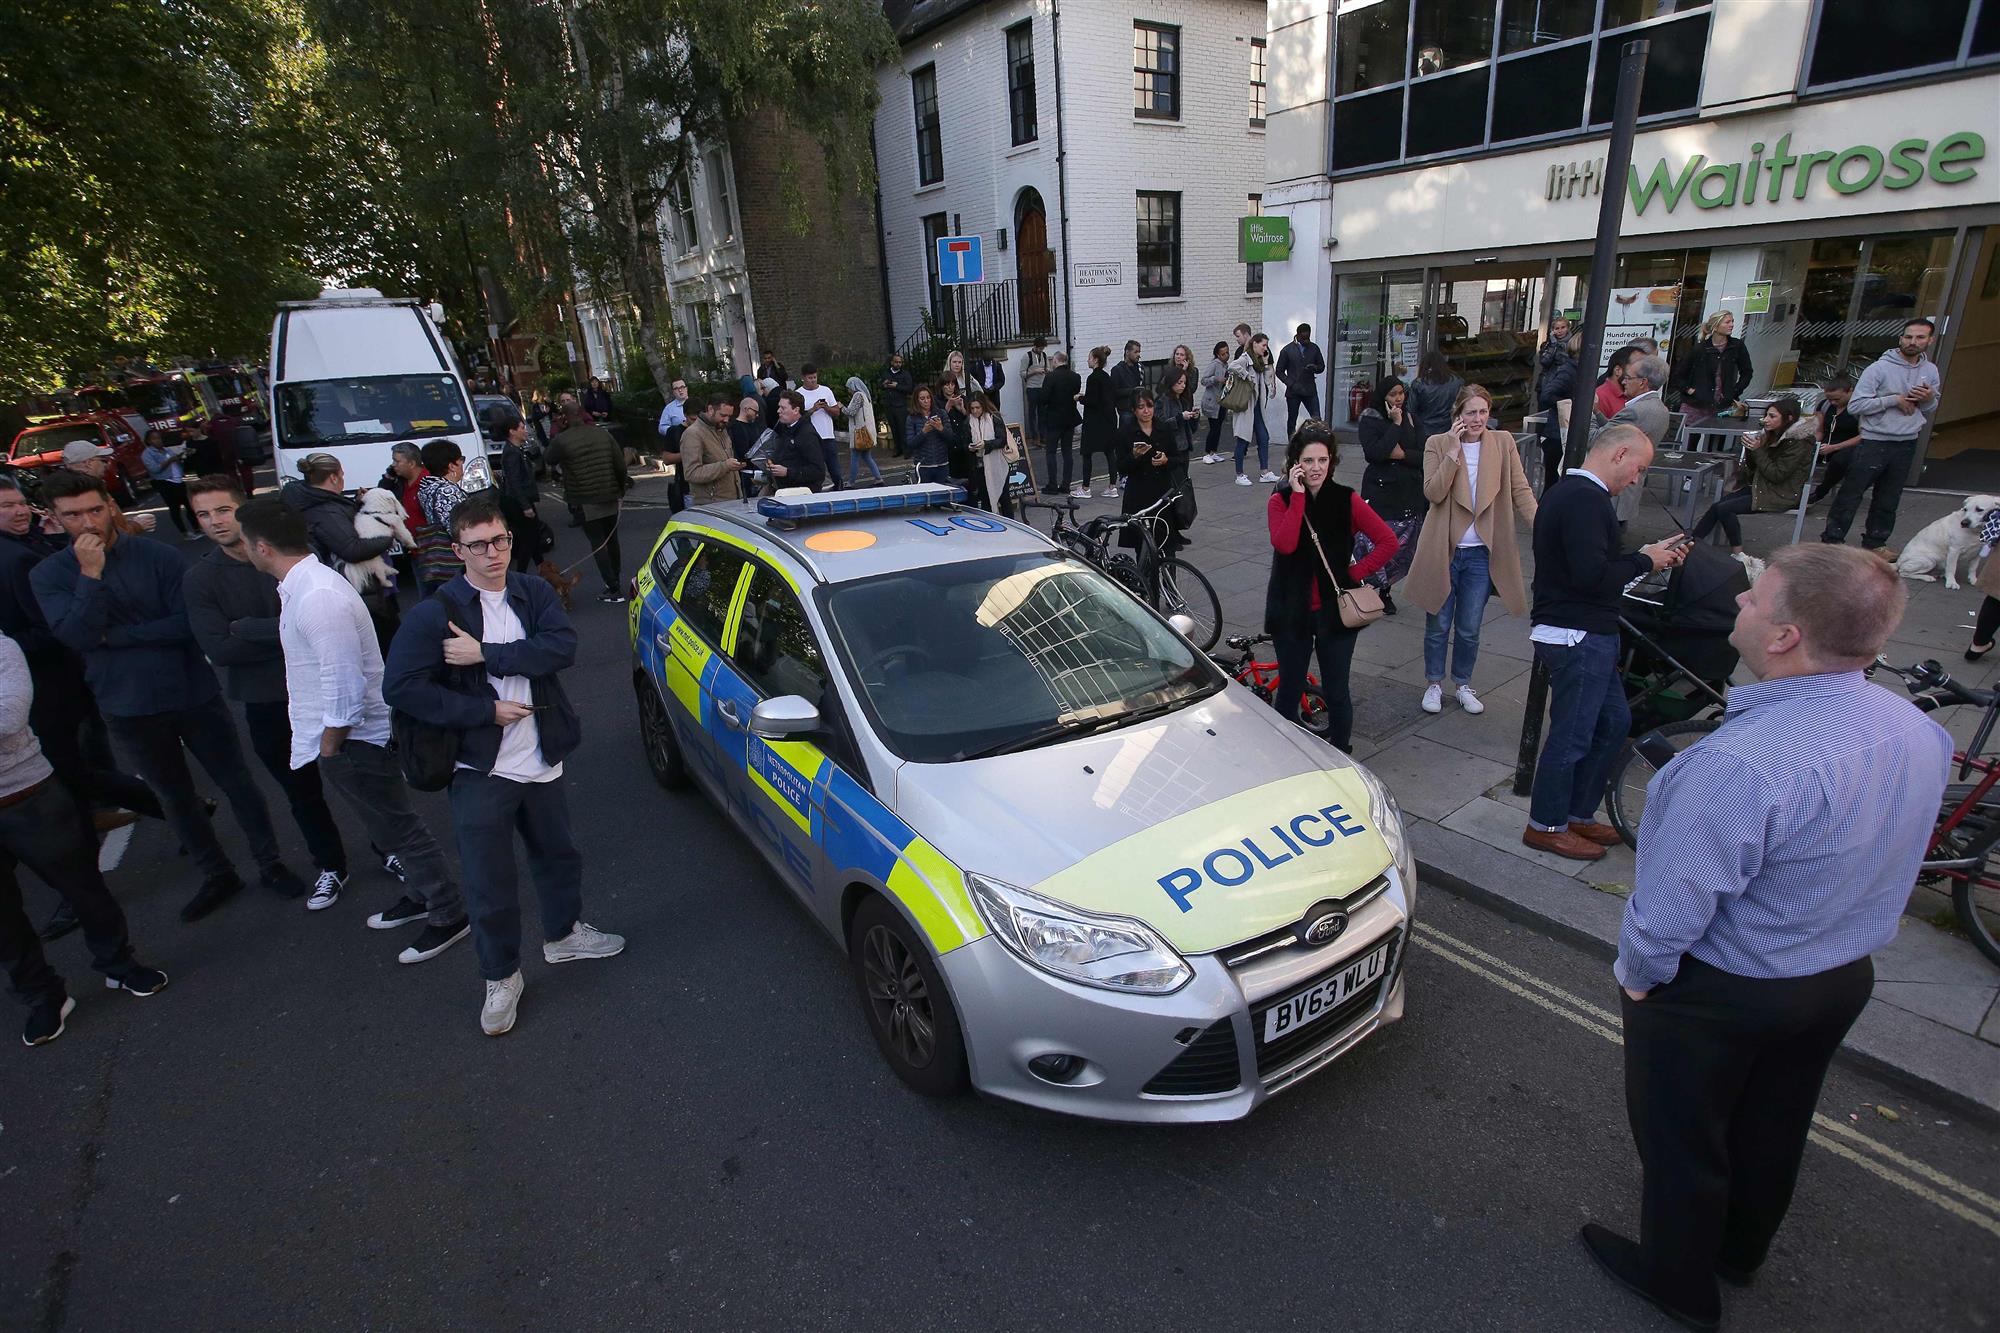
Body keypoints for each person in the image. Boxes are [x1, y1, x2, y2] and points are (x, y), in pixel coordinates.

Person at [1586, 543, 1948, 1332]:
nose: (1741, 604)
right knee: (1776, 1119)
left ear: (1785, 637)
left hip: (1726, 991)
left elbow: (1668, 911)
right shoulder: (1914, 728)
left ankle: (1677, 1281)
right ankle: (1740, 1250)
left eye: (1755, 597)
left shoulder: (1735, 766)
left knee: (1684, 1139)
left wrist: (1640, 979)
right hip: (1842, 975)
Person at [383, 492, 623, 1036]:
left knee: (559, 856)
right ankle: (502, 976)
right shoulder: (435, 614)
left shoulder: (532, 589)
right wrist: (482, 711)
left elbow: (561, 648)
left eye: (501, 540)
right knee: (489, 879)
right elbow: (400, 687)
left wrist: (486, 654)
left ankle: (563, 937)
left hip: (542, 754)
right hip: (480, 769)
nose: (493, 553)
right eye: (479, 545)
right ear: (457, 549)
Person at [30, 469, 304, 918]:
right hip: (125, 704)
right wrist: (90, 577)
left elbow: (188, 627)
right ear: (56, 519)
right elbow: (77, 636)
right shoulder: (50, 573)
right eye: (73, 515)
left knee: (237, 783)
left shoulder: (158, 557)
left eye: (95, 509)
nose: (88, 522)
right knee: (172, 796)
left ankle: (270, 863)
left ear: (111, 505)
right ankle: (216, 872)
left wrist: (113, 637)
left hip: (192, 692)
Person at [236, 497, 469, 964]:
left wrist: (329, 747)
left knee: (400, 826)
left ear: (261, 547)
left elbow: (343, 685)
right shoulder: (303, 586)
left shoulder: (318, 597)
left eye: (242, 540)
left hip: (355, 738)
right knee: (387, 826)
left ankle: (448, 911)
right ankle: (424, 895)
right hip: (347, 738)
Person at [1524, 424, 1689, 861]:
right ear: (1618, 455)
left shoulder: (1581, 497)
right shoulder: (1583, 500)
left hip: (1587, 632)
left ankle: (1577, 812)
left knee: (1613, 723)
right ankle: (1546, 824)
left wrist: (1647, 557)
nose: (1636, 479)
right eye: (1639, 468)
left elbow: (1594, 568)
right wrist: (1644, 560)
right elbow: (1592, 578)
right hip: (1577, 636)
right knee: (1573, 735)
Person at [183, 477, 349, 909]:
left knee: (357, 781)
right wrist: (292, 632)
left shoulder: (294, 561)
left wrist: (251, 629)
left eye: (223, 510)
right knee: (301, 793)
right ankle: (331, 866)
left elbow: (327, 626)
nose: (215, 522)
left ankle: (390, 852)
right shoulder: (201, 579)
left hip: (323, 691)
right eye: (203, 514)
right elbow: (218, 648)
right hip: (266, 703)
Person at [0, 635, 169, 1047]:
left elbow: (10, 716)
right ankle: (44, 997)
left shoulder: (2, 648)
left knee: (84, 889)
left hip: (30, 796)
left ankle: (119, 964)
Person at [1405, 384, 1538, 718]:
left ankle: (1463, 683)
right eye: (1471, 412)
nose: (1478, 419)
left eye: (1483, 411)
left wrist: (1543, 527)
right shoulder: (1436, 444)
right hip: (1445, 549)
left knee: (1469, 626)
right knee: (1438, 623)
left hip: (1481, 552)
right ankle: (1434, 682)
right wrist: (1453, 451)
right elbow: (1433, 493)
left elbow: (1520, 488)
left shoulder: (1503, 443)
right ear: (1458, 415)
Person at [1265, 422, 1399, 752]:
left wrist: (1356, 572)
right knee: (1290, 690)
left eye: (1322, 461)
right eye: (1309, 461)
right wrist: (1298, 498)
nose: (1316, 468)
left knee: (1337, 690)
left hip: (1333, 611)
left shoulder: (1346, 500)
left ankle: (1341, 754)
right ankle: (1290, 757)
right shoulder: (1279, 502)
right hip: (1291, 609)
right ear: (1295, 462)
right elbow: (1284, 544)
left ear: (1331, 462)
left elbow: (1388, 541)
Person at [1821, 317, 1942, 556]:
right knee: (1851, 494)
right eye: (1908, 337)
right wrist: (1893, 400)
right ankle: (1832, 543)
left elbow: (1930, 408)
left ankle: (1876, 544)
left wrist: (1927, 399)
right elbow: (1856, 406)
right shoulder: (1879, 368)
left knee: (1889, 498)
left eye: (1919, 338)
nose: (1912, 342)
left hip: (1906, 441)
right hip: (1875, 440)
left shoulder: (1930, 370)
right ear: (1900, 338)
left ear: (1930, 340)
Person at [280, 452, 402, 653]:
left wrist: (358, 503)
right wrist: (389, 535)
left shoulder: (313, 499)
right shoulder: (324, 510)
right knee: (384, 649)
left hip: (359, 589)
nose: (343, 479)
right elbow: (350, 549)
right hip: (359, 590)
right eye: (342, 475)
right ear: (334, 477)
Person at [1692, 396, 1817, 560]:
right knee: (1718, 506)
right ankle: (1691, 543)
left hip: (1781, 493)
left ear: (1789, 418)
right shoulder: (1772, 434)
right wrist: (1751, 448)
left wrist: (1758, 450)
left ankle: (1739, 554)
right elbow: (1753, 469)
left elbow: (1777, 475)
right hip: (1761, 485)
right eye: (1766, 415)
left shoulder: (1799, 443)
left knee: (1725, 508)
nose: (1766, 420)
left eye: (1772, 416)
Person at [544, 406, 631, 602]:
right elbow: (619, 464)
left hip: (584, 499)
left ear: (565, 419)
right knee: (612, 540)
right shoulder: (603, 433)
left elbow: (549, 458)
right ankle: (615, 578)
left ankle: (612, 587)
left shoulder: (562, 439)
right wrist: (620, 489)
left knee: (598, 543)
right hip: (609, 494)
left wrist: (558, 430)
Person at [1357, 375, 1424, 615]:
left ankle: (1386, 589)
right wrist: (1395, 426)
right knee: (1376, 544)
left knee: (1402, 549)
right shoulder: (1371, 419)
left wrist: (1402, 455)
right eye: (1392, 394)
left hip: (1408, 494)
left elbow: (1423, 455)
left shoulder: (1412, 418)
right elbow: (1375, 453)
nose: (1398, 399)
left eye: (1401, 393)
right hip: (1381, 494)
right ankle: (1369, 587)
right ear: (1383, 396)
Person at [1117, 392, 1183, 550]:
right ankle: (1145, 574)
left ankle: (1168, 574)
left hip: (1162, 492)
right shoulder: (1125, 432)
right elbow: (1120, 467)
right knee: (1142, 545)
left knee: (1166, 544)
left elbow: (1178, 459)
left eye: (1149, 406)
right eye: (1141, 407)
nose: (1146, 411)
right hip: (1138, 493)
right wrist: (1134, 456)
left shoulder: (1164, 428)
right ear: (1134, 410)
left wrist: (1166, 460)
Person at [1674, 310, 1753, 426]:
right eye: (1727, 322)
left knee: (1717, 440)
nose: (1731, 325)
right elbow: (1679, 375)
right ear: (1715, 326)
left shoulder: (1736, 346)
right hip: (1697, 404)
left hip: (1723, 404)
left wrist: (1734, 391)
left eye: (1732, 321)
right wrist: (1690, 390)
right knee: (1690, 439)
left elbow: (1747, 372)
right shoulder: (1700, 349)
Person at [61, 440, 155, 530]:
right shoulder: (91, 492)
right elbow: (112, 532)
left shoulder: (66, 490)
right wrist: (137, 526)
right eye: (102, 460)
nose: (105, 465)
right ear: (89, 463)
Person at [1229, 332, 1283, 488]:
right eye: (1263, 345)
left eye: (1266, 345)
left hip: (1258, 407)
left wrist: (1266, 363)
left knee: (1263, 437)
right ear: (1255, 344)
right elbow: (1232, 366)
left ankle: (1264, 472)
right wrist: (1247, 375)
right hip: (1246, 406)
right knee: (1243, 439)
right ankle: (1239, 474)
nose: (1265, 348)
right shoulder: (1246, 358)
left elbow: (1267, 381)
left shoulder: (1260, 361)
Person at [493, 412, 544, 573]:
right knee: (528, 540)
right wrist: (525, 506)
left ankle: (543, 570)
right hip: (518, 503)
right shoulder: (511, 453)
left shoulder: (516, 450)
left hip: (521, 501)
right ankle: (521, 574)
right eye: (522, 428)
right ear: (512, 431)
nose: (526, 431)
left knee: (533, 536)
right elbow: (514, 482)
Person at [416, 439, 469, 590]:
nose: (462, 465)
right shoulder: (447, 491)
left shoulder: (427, 488)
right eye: (461, 460)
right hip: (453, 559)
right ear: (451, 465)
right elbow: (456, 526)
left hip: (435, 558)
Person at [1535, 317, 1579, 492]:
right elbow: (1544, 363)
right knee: (1552, 477)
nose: (1559, 331)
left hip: (1562, 423)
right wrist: (1567, 404)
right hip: (1556, 422)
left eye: (1562, 328)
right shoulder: (1567, 369)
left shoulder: (1573, 368)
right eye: (1556, 328)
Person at [1806, 375, 1860, 507]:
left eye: (1837, 399)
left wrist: (1835, 447)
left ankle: (1821, 492)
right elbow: (1820, 430)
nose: (1833, 403)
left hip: (1850, 444)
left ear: (1849, 392)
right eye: (1830, 400)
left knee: (1840, 461)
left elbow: (1863, 435)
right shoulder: (1825, 405)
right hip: (1827, 441)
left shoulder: (1859, 408)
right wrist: (1814, 444)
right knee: (1803, 455)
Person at [682, 394, 743, 505]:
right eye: (723, 415)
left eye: (729, 416)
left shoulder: (721, 429)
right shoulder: (692, 434)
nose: (726, 420)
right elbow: (691, 473)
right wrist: (725, 466)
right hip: (711, 505)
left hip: (731, 502)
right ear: (710, 409)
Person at [765, 390, 827, 494]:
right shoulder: (784, 429)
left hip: (803, 496)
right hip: (784, 491)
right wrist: (772, 462)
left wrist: (787, 472)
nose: (778, 411)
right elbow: (783, 453)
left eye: (783, 408)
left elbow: (818, 471)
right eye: (779, 407)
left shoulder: (807, 435)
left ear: (796, 410)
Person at [140, 429, 198, 539]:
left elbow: (177, 463)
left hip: (178, 480)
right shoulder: (147, 454)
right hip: (165, 482)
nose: (158, 441)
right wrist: (170, 460)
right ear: (148, 441)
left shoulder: (167, 450)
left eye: (159, 438)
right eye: (155, 439)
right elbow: (154, 469)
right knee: (174, 508)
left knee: (189, 505)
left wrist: (181, 457)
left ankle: (197, 528)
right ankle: (184, 532)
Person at [1038, 352, 1081, 496]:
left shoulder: (1050, 377)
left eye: (1052, 361)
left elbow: (1043, 398)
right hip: (1069, 419)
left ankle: (1052, 484)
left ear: (1056, 361)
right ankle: (1066, 484)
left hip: (1054, 420)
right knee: (1067, 452)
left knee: (1051, 452)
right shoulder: (1076, 377)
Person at [1080, 347, 1120, 499]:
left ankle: (1085, 488)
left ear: (1096, 360)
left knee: (1087, 453)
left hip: (1094, 421)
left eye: (1089, 357)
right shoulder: (1106, 377)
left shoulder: (1093, 378)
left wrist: (1080, 398)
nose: (1087, 360)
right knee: (1110, 453)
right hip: (1109, 419)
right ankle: (1112, 486)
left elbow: (1093, 401)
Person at [797, 364, 843, 491]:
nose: (813, 380)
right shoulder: (798, 394)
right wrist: (813, 409)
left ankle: (840, 491)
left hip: (828, 436)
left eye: (815, 377)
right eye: (810, 378)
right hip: (810, 439)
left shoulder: (826, 390)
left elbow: (836, 412)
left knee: (835, 470)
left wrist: (826, 407)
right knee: (816, 471)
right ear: (803, 378)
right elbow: (798, 418)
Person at [1276, 323, 1327, 436]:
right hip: (1294, 391)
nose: (1306, 340)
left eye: (1308, 337)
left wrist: (1315, 368)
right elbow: (1279, 371)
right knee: (1292, 420)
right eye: (1303, 338)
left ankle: (1318, 442)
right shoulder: (1287, 350)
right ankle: (1292, 446)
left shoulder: (1314, 348)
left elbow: (1322, 366)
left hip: (1310, 389)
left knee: (1317, 418)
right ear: (1297, 335)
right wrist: (1290, 383)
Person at [1156, 345, 1201, 468]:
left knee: (1183, 477)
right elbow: (1163, 423)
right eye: (1177, 354)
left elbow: (1191, 389)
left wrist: (1194, 417)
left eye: (1182, 355)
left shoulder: (1184, 399)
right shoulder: (1164, 400)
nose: (1179, 357)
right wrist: (1180, 417)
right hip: (1171, 445)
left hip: (1184, 445)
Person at [1408, 350, 1464, 445]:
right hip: (1449, 429)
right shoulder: (1457, 382)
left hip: (1424, 433)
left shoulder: (1418, 384)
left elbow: (1410, 411)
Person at [906, 386, 953, 486]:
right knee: (926, 498)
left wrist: (941, 429)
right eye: (922, 399)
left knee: (942, 497)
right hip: (923, 466)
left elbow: (951, 438)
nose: (926, 401)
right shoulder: (911, 418)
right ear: (917, 401)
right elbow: (910, 443)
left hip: (942, 463)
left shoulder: (942, 413)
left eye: (928, 398)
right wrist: (924, 432)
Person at [842, 376, 883, 487]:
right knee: (866, 456)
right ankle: (878, 478)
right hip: (868, 432)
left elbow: (851, 412)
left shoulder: (857, 396)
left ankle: (851, 482)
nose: (848, 390)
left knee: (855, 456)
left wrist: (841, 407)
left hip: (860, 433)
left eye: (849, 388)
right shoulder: (865, 395)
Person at [1199, 340, 1230, 465]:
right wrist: (1216, 379)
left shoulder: (1226, 365)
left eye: (1227, 352)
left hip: (1221, 402)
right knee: (1213, 427)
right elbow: (1204, 380)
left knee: (1218, 428)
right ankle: (1207, 452)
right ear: (1218, 355)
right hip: (1212, 402)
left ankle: (1213, 452)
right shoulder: (1214, 364)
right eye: (1223, 354)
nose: (1226, 355)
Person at [729, 395, 766, 497]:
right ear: (746, 409)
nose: (757, 415)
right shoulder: (733, 427)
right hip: (743, 473)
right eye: (755, 411)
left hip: (758, 472)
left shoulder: (756, 426)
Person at [878, 353, 913, 456]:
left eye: (900, 362)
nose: (898, 364)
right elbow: (879, 384)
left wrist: (897, 386)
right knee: (893, 428)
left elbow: (909, 388)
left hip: (900, 405)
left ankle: (906, 451)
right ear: (891, 362)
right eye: (896, 362)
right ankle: (897, 449)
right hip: (889, 404)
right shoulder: (886, 373)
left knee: (903, 428)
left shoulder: (905, 374)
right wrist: (883, 384)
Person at [1108, 340, 1145, 435]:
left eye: (1139, 352)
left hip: (1139, 408)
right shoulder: (1117, 370)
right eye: (1136, 352)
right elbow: (1114, 392)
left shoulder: (1140, 368)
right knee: (1126, 437)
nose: (1138, 355)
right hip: (1126, 410)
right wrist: (1132, 391)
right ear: (1127, 352)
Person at [1019, 337, 1050, 446]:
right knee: (1032, 413)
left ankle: (1043, 436)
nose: (1041, 350)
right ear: (1035, 346)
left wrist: (1046, 371)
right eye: (1040, 348)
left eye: (1043, 348)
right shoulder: (1027, 356)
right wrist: (1034, 371)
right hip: (1032, 388)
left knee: (1042, 413)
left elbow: (1048, 369)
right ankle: (1034, 437)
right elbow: (1022, 373)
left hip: (1042, 387)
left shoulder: (1044, 356)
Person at [1596, 345, 1639, 422]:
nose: (1642, 371)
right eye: (1636, 367)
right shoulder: (1600, 397)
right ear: (1618, 370)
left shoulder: (1633, 394)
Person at [655, 374, 690, 441]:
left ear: (686, 388)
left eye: (682, 387)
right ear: (673, 392)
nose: (680, 390)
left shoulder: (696, 403)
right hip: (679, 442)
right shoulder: (669, 409)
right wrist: (675, 431)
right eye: (676, 389)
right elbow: (661, 427)